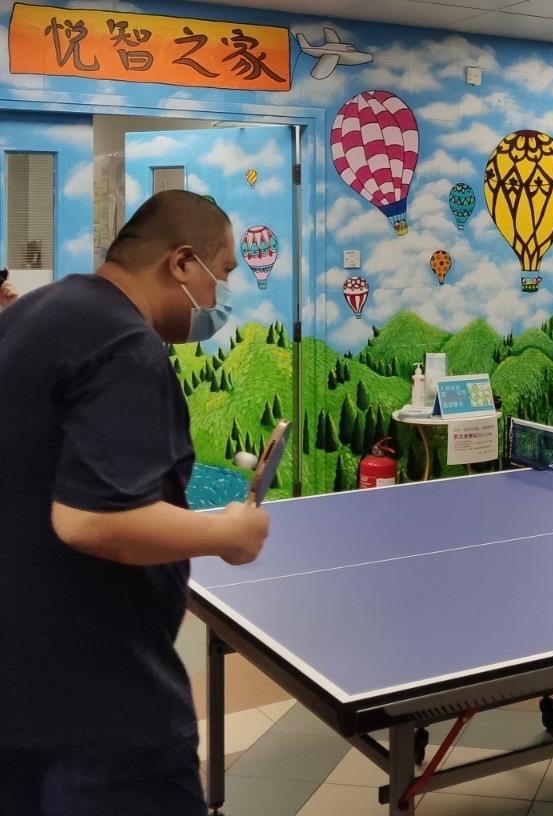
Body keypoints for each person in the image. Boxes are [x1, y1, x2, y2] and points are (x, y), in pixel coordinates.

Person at [0, 190, 270, 815]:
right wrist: (228, 534)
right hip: (103, 709)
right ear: (182, 263)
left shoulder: (38, 313)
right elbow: (91, 520)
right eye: (223, 272)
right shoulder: (123, 342)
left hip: (23, 693)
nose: (223, 294)